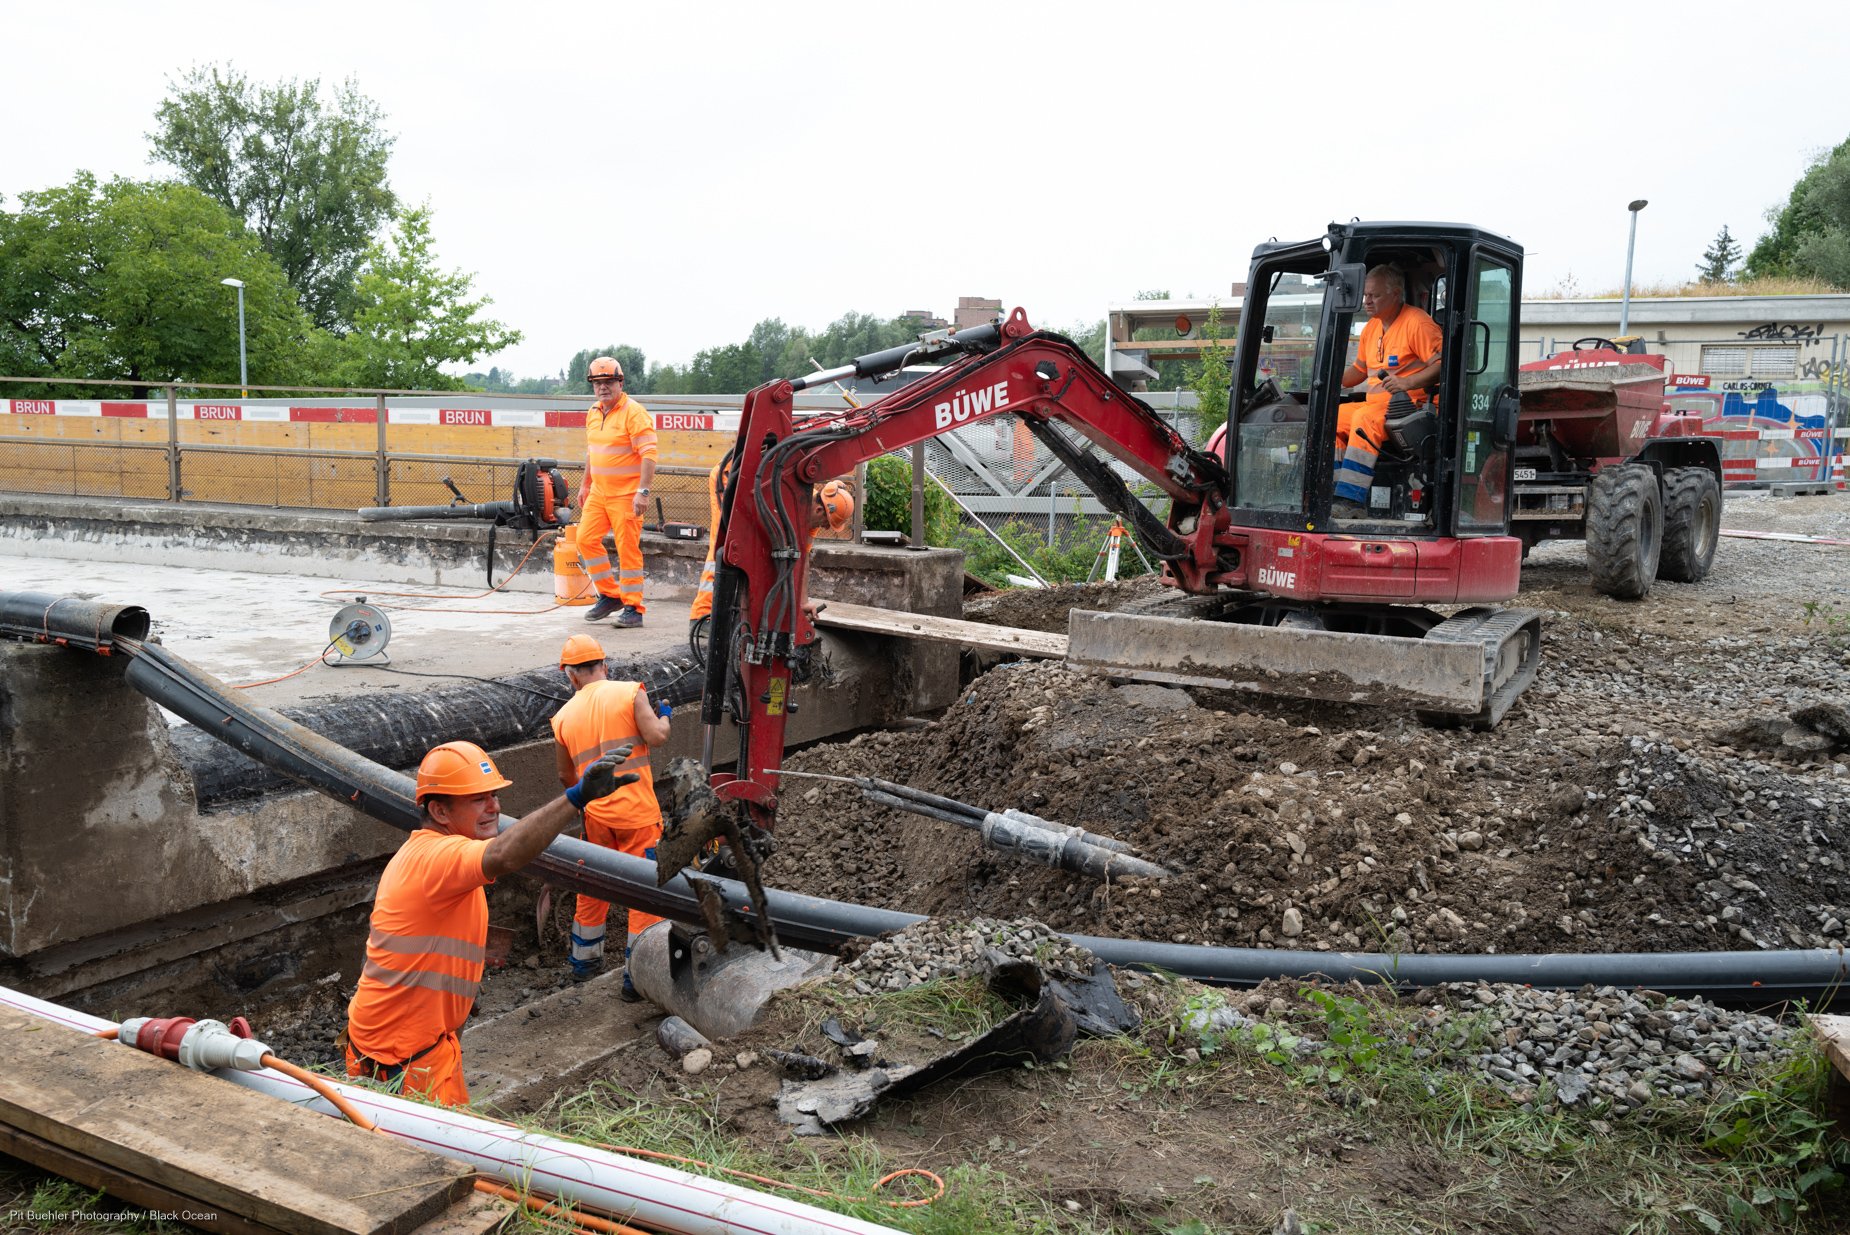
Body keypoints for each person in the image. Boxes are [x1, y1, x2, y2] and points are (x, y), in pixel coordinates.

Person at [343, 739, 635, 1106]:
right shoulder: (437, 857)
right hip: (404, 1060)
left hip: (408, 1046)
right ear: (440, 811)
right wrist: (575, 798)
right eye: (478, 799)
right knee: (440, 1160)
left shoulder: (430, 856)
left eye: (494, 795)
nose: (495, 807)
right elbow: (503, 854)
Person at [551, 633, 673, 997]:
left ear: (570, 676)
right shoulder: (630, 691)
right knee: (646, 895)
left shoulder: (562, 718)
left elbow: (565, 777)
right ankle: (637, 979)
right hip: (638, 816)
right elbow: (657, 737)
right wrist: (664, 717)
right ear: (605, 665)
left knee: (593, 888)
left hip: (596, 818)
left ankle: (584, 963)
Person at [1334, 265, 1444, 519]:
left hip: (1412, 407)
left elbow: (1443, 365)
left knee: (1364, 421)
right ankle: (1336, 492)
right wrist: (1328, 380)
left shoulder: (1418, 324)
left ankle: (1352, 500)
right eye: (1365, 295)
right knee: (1333, 419)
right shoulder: (1371, 328)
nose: (1367, 301)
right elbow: (1360, 370)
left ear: (1395, 294)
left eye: (1374, 295)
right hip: (1378, 407)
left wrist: (1406, 383)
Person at [576, 356, 657, 627]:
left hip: (626, 494)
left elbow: (649, 453)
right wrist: (585, 483)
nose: (603, 387)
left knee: (627, 550)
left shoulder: (634, 412)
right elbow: (592, 451)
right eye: (598, 383)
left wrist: (643, 492)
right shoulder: (593, 412)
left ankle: (634, 608)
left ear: (620, 382)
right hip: (599, 493)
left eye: (609, 382)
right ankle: (611, 595)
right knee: (585, 540)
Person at [687, 449, 734, 642]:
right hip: (729, 477)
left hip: (737, 475)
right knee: (720, 550)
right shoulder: (725, 473)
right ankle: (700, 616)